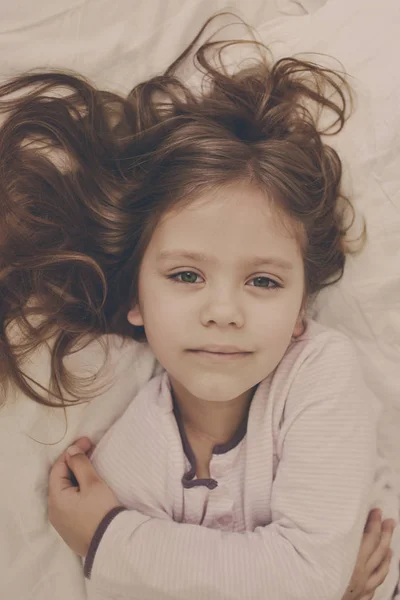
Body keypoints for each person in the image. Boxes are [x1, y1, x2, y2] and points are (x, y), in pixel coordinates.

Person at [0, 12, 397, 600]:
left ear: (299, 310)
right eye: (186, 275)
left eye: (263, 282)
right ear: (136, 297)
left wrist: (107, 540)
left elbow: (306, 573)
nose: (224, 311)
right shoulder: (129, 456)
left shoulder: (320, 375)